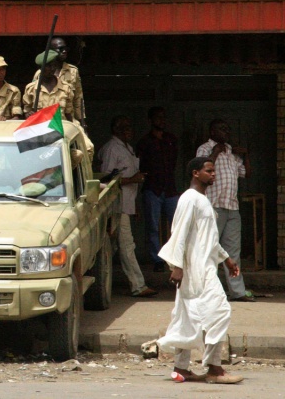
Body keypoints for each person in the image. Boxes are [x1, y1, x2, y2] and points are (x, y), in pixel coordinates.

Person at [155, 157, 243, 385]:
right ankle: (214, 369)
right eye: (209, 170)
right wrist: (177, 266)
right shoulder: (189, 199)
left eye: (214, 171)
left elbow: (209, 238)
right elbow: (179, 233)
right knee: (220, 311)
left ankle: (181, 369)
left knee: (189, 318)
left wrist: (227, 260)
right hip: (195, 271)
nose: (213, 174)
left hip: (204, 267)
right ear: (196, 173)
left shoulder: (203, 200)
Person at [98, 116, 157, 297]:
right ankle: (138, 286)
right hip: (116, 206)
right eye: (124, 127)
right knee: (126, 245)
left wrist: (135, 205)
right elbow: (105, 180)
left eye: (129, 126)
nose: (128, 130)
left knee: (114, 246)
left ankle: (101, 282)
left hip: (126, 205)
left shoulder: (128, 148)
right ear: (115, 129)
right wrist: (132, 179)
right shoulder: (111, 149)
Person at [196, 119, 254, 302]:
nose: (226, 132)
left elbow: (246, 173)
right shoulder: (205, 148)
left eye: (228, 129)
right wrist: (215, 152)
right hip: (212, 206)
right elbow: (200, 171)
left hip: (232, 207)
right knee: (208, 250)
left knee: (232, 251)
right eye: (222, 129)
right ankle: (207, 292)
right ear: (212, 130)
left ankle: (237, 292)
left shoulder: (231, 151)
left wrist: (246, 155)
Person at [136, 107, 179, 272]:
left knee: (176, 225)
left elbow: (173, 163)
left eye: (163, 117)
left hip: (170, 188)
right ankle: (157, 259)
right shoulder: (144, 142)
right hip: (152, 188)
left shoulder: (171, 139)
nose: (161, 120)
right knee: (153, 226)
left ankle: (175, 258)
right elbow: (140, 165)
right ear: (150, 120)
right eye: (158, 118)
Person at [31, 37, 86, 125]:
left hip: (67, 121)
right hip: (44, 122)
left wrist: (82, 123)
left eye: (65, 49)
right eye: (60, 49)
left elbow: (78, 99)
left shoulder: (73, 71)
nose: (64, 51)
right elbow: (31, 97)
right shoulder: (39, 74)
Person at [22, 51, 74, 120]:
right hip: (40, 128)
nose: (52, 68)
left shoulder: (66, 88)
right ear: (41, 68)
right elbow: (26, 111)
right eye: (49, 66)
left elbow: (68, 114)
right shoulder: (31, 89)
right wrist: (28, 114)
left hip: (60, 128)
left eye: (54, 65)